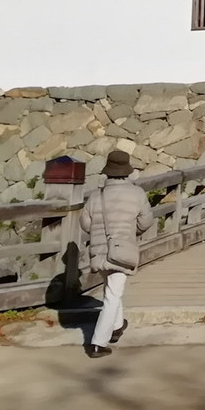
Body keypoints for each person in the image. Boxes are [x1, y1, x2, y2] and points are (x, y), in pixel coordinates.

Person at [79, 149, 153, 358]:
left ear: (108, 171)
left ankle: (117, 326)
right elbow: (146, 222)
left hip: (99, 252)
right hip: (122, 251)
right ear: (127, 171)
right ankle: (98, 343)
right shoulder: (136, 193)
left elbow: (85, 223)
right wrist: (130, 231)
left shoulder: (97, 195)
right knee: (113, 294)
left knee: (111, 289)